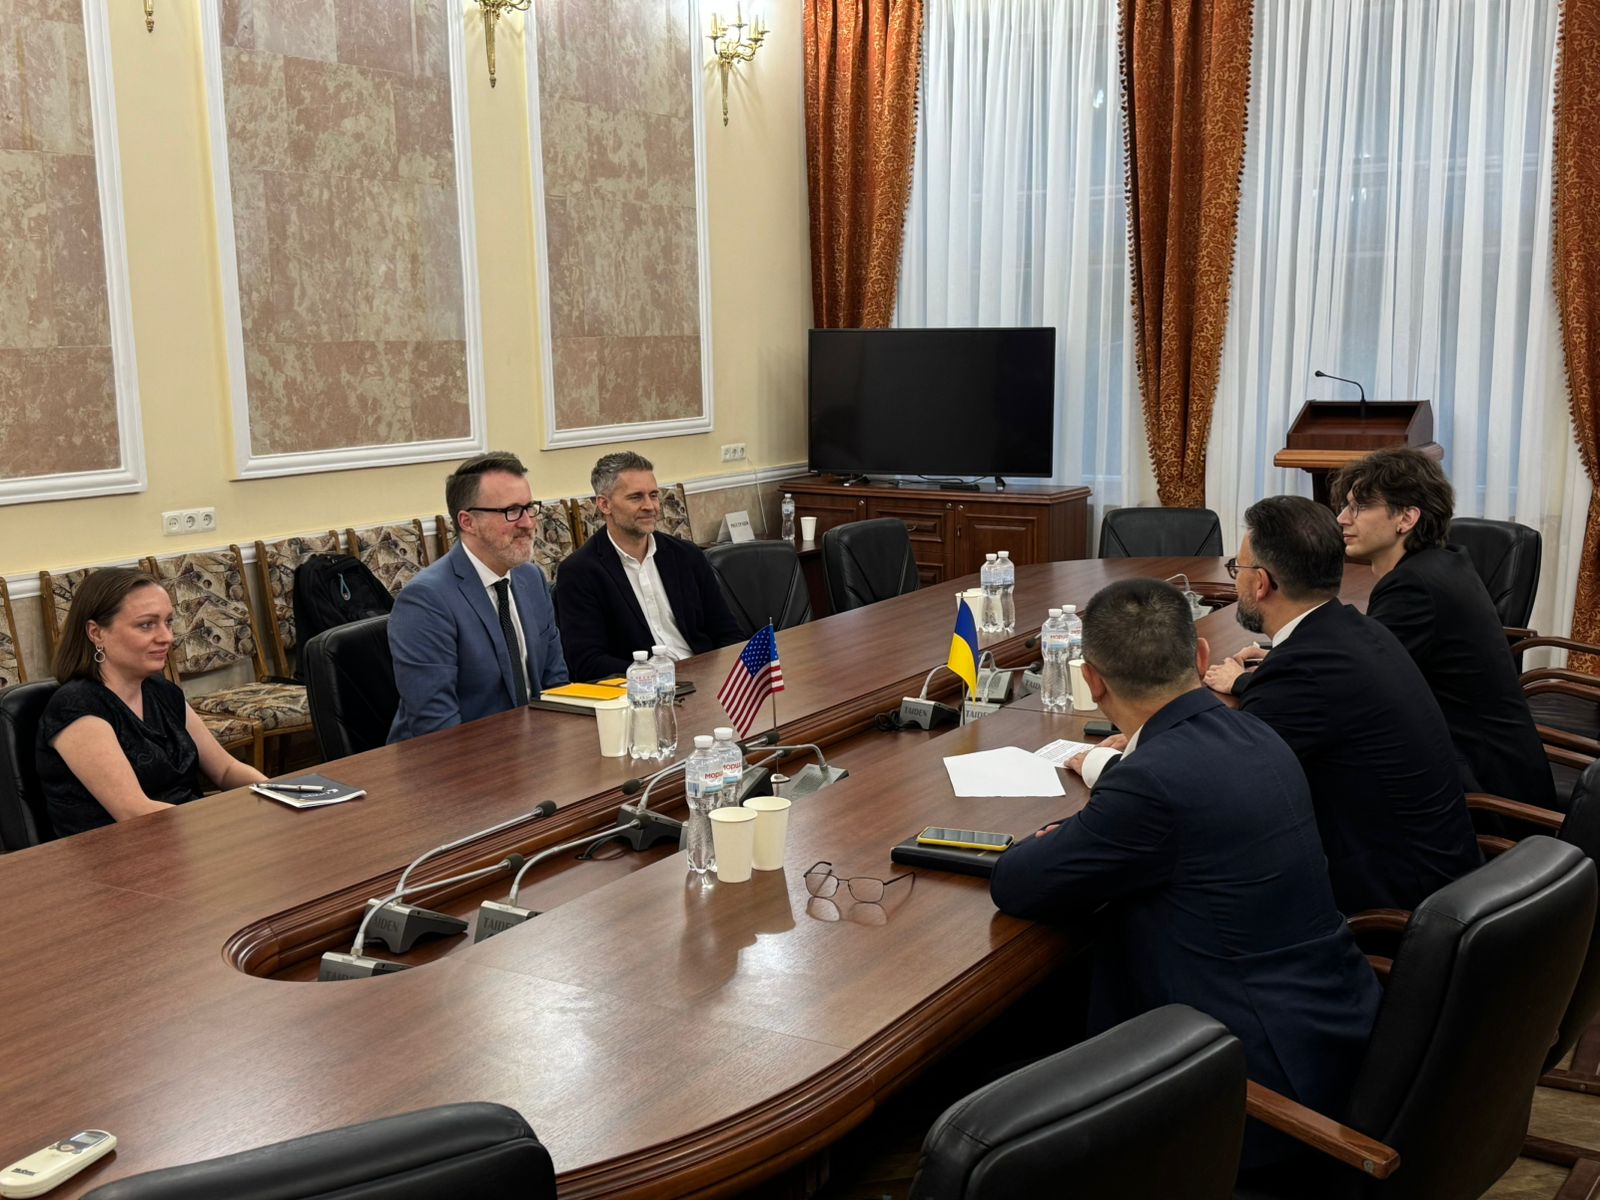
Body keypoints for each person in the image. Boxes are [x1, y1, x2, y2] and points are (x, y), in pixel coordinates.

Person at [990, 579, 1380, 1170]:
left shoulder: (1151, 781)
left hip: (1249, 1086)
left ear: (1091, 680)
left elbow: (1017, 883)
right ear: (1200, 657)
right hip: (1333, 1029)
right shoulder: (1256, 731)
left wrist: (1072, 833)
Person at [1202, 495, 1481, 912]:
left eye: (1236, 571)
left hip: (1390, 908)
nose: (1235, 582)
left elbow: (1224, 793)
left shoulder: (1299, 673)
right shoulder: (1358, 629)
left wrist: (1136, 744)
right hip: (1444, 874)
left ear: (1261, 583)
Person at [1327, 447, 1556, 808]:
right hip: (1499, 767)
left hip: (1484, 792)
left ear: (1406, 518)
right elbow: (1364, 653)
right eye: (1345, 506)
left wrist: (1252, 678)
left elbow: (1358, 683)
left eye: (1359, 507)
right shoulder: (1442, 562)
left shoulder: (1413, 586)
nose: (1341, 518)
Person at [36, 569, 266, 838]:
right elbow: (134, 812)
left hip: (184, 836)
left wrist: (279, 795)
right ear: (96, 633)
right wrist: (221, 829)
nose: (167, 637)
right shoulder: (75, 706)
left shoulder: (161, 691)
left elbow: (226, 770)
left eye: (168, 622)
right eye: (146, 625)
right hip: (121, 851)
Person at [388, 451, 569, 742]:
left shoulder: (531, 578)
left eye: (529, 508)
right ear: (468, 521)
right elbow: (437, 727)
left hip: (531, 747)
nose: (527, 523)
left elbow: (556, 683)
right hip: (454, 758)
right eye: (511, 511)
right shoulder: (425, 600)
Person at [557, 451, 742, 681]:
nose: (650, 506)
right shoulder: (579, 572)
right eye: (636, 497)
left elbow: (729, 633)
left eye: (653, 495)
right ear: (604, 504)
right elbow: (587, 663)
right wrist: (659, 677)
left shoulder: (686, 555)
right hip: (640, 690)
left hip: (705, 677)